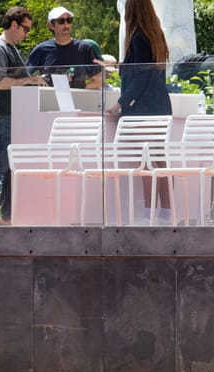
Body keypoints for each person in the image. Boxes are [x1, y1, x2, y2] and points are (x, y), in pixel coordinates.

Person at [0, 6, 47, 226]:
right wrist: (29, 80)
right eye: (25, 29)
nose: (27, 35)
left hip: (15, 116)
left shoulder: (11, 47)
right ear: (14, 24)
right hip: (2, 116)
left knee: (10, 166)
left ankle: (7, 215)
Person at [109, 0, 172, 224]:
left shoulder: (138, 36)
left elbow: (140, 76)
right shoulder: (155, 34)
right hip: (160, 104)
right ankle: (165, 213)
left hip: (144, 107)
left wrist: (120, 103)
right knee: (159, 159)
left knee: (145, 161)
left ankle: (149, 213)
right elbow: (145, 71)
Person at [25, 7, 99, 89]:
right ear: (51, 25)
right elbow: (24, 77)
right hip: (49, 99)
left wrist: (77, 91)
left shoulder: (85, 48)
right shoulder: (41, 50)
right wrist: (36, 81)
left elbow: (99, 81)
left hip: (77, 100)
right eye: (61, 21)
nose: (66, 25)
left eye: (69, 20)